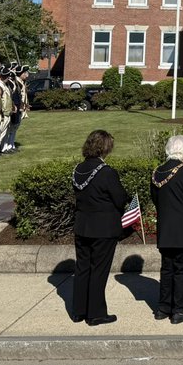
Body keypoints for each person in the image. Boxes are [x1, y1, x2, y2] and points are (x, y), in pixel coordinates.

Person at [71, 130, 129, 326]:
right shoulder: (107, 172)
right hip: (103, 228)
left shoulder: (78, 169)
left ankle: (79, 310)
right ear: (106, 148)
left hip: (82, 225)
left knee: (83, 268)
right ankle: (95, 313)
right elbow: (120, 199)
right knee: (98, 270)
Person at [149, 133, 183, 324]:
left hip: (166, 228)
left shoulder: (157, 172)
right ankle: (178, 310)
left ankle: (163, 308)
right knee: (182, 271)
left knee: (167, 269)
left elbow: (155, 200)